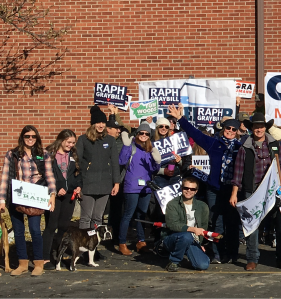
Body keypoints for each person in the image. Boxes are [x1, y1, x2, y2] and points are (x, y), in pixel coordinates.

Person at [167, 104, 241, 265]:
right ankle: (217, 254)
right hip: (214, 189)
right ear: (223, 128)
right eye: (227, 128)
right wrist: (180, 118)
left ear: (237, 132)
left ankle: (232, 254)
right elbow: (196, 134)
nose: (230, 131)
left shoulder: (240, 148)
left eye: (233, 129)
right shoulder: (214, 143)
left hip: (232, 190)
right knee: (215, 222)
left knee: (232, 222)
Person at [228, 114, 281, 271]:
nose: (259, 129)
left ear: (265, 128)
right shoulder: (245, 147)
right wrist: (234, 192)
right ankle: (252, 258)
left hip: (272, 188)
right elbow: (238, 171)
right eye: (256, 127)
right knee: (252, 225)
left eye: (261, 126)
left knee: (279, 224)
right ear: (251, 128)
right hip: (252, 189)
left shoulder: (275, 144)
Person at [0, 125, 56, 276]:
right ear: (22, 137)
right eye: (27, 136)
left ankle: (38, 263)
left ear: (37, 138)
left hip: (35, 196)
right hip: (16, 196)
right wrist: (2, 199)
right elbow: (5, 177)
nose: (30, 139)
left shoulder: (44, 154)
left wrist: (52, 195)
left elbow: (49, 176)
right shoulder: (13, 154)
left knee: (35, 230)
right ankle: (22, 263)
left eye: (33, 136)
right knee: (18, 231)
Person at [76, 105, 122, 232]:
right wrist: (78, 183)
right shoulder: (83, 140)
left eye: (103, 122)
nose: (101, 125)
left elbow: (114, 163)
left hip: (105, 184)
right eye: (98, 122)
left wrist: (116, 182)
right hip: (87, 184)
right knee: (86, 217)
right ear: (93, 124)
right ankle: (84, 248)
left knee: (98, 218)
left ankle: (93, 249)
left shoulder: (110, 140)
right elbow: (77, 162)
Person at [117, 125, 160, 255]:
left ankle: (141, 241)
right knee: (128, 214)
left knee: (141, 215)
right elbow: (121, 161)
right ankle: (122, 242)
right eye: (141, 133)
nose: (144, 135)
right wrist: (125, 146)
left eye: (147, 134)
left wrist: (157, 161)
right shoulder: (132, 146)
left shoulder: (149, 149)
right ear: (137, 133)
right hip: (132, 186)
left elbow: (154, 169)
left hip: (146, 187)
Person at [41, 129, 81, 271]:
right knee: (51, 226)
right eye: (68, 142)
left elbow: (77, 174)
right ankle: (45, 257)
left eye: (73, 143)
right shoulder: (49, 154)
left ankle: (58, 254)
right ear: (61, 140)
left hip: (69, 196)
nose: (71, 145)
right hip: (54, 195)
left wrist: (78, 187)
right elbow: (44, 174)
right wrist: (57, 187)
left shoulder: (73, 155)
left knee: (64, 227)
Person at [163, 177, 211, 272]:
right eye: (186, 188)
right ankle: (174, 262)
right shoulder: (172, 204)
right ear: (181, 188)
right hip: (172, 238)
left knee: (203, 265)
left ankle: (188, 251)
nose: (189, 191)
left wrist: (199, 244)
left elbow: (203, 227)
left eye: (192, 189)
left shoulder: (203, 206)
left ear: (196, 191)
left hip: (192, 239)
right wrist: (193, 229)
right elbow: (172, 225)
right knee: (186, 236)